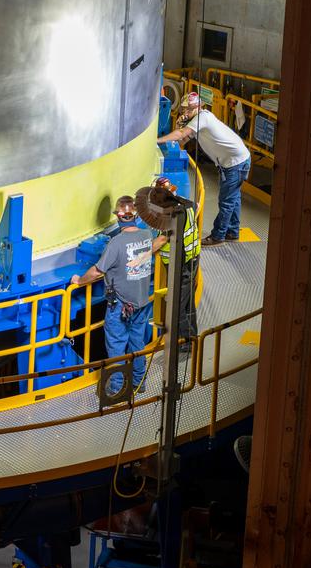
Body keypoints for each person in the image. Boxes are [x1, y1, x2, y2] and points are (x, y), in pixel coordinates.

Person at [70, 196, 154, 394]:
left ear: (118, 217)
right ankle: (138, 382)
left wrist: (79, 280)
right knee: (137, 343)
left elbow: (98, 271)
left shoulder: (116, 243)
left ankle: (116, 388)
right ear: (135, 216)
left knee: (116, 345)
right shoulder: (147, 235)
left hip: (120, 306)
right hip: (142, 302)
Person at [157, 91, 251, 246]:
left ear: (199, 107)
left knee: (226, 202)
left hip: (236, 163)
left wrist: (158, 140)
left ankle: (218, 236)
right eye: (184, 109)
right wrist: (180, 126)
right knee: (233, 199)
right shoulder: (198, 120)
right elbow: (183, 140)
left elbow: (181, 134)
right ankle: (232, 232)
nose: (186, 112)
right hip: (232, 162)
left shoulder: (203, 118)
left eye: (189, 109)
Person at [151, 178, 201, 348]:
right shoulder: (187, 204)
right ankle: (192, 337)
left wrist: (140, 254)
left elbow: (162, 239)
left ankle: (186, 342)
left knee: (177, 305)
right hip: (192, 258)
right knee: (187, 302)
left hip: (181, 263)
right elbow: (198, 207)